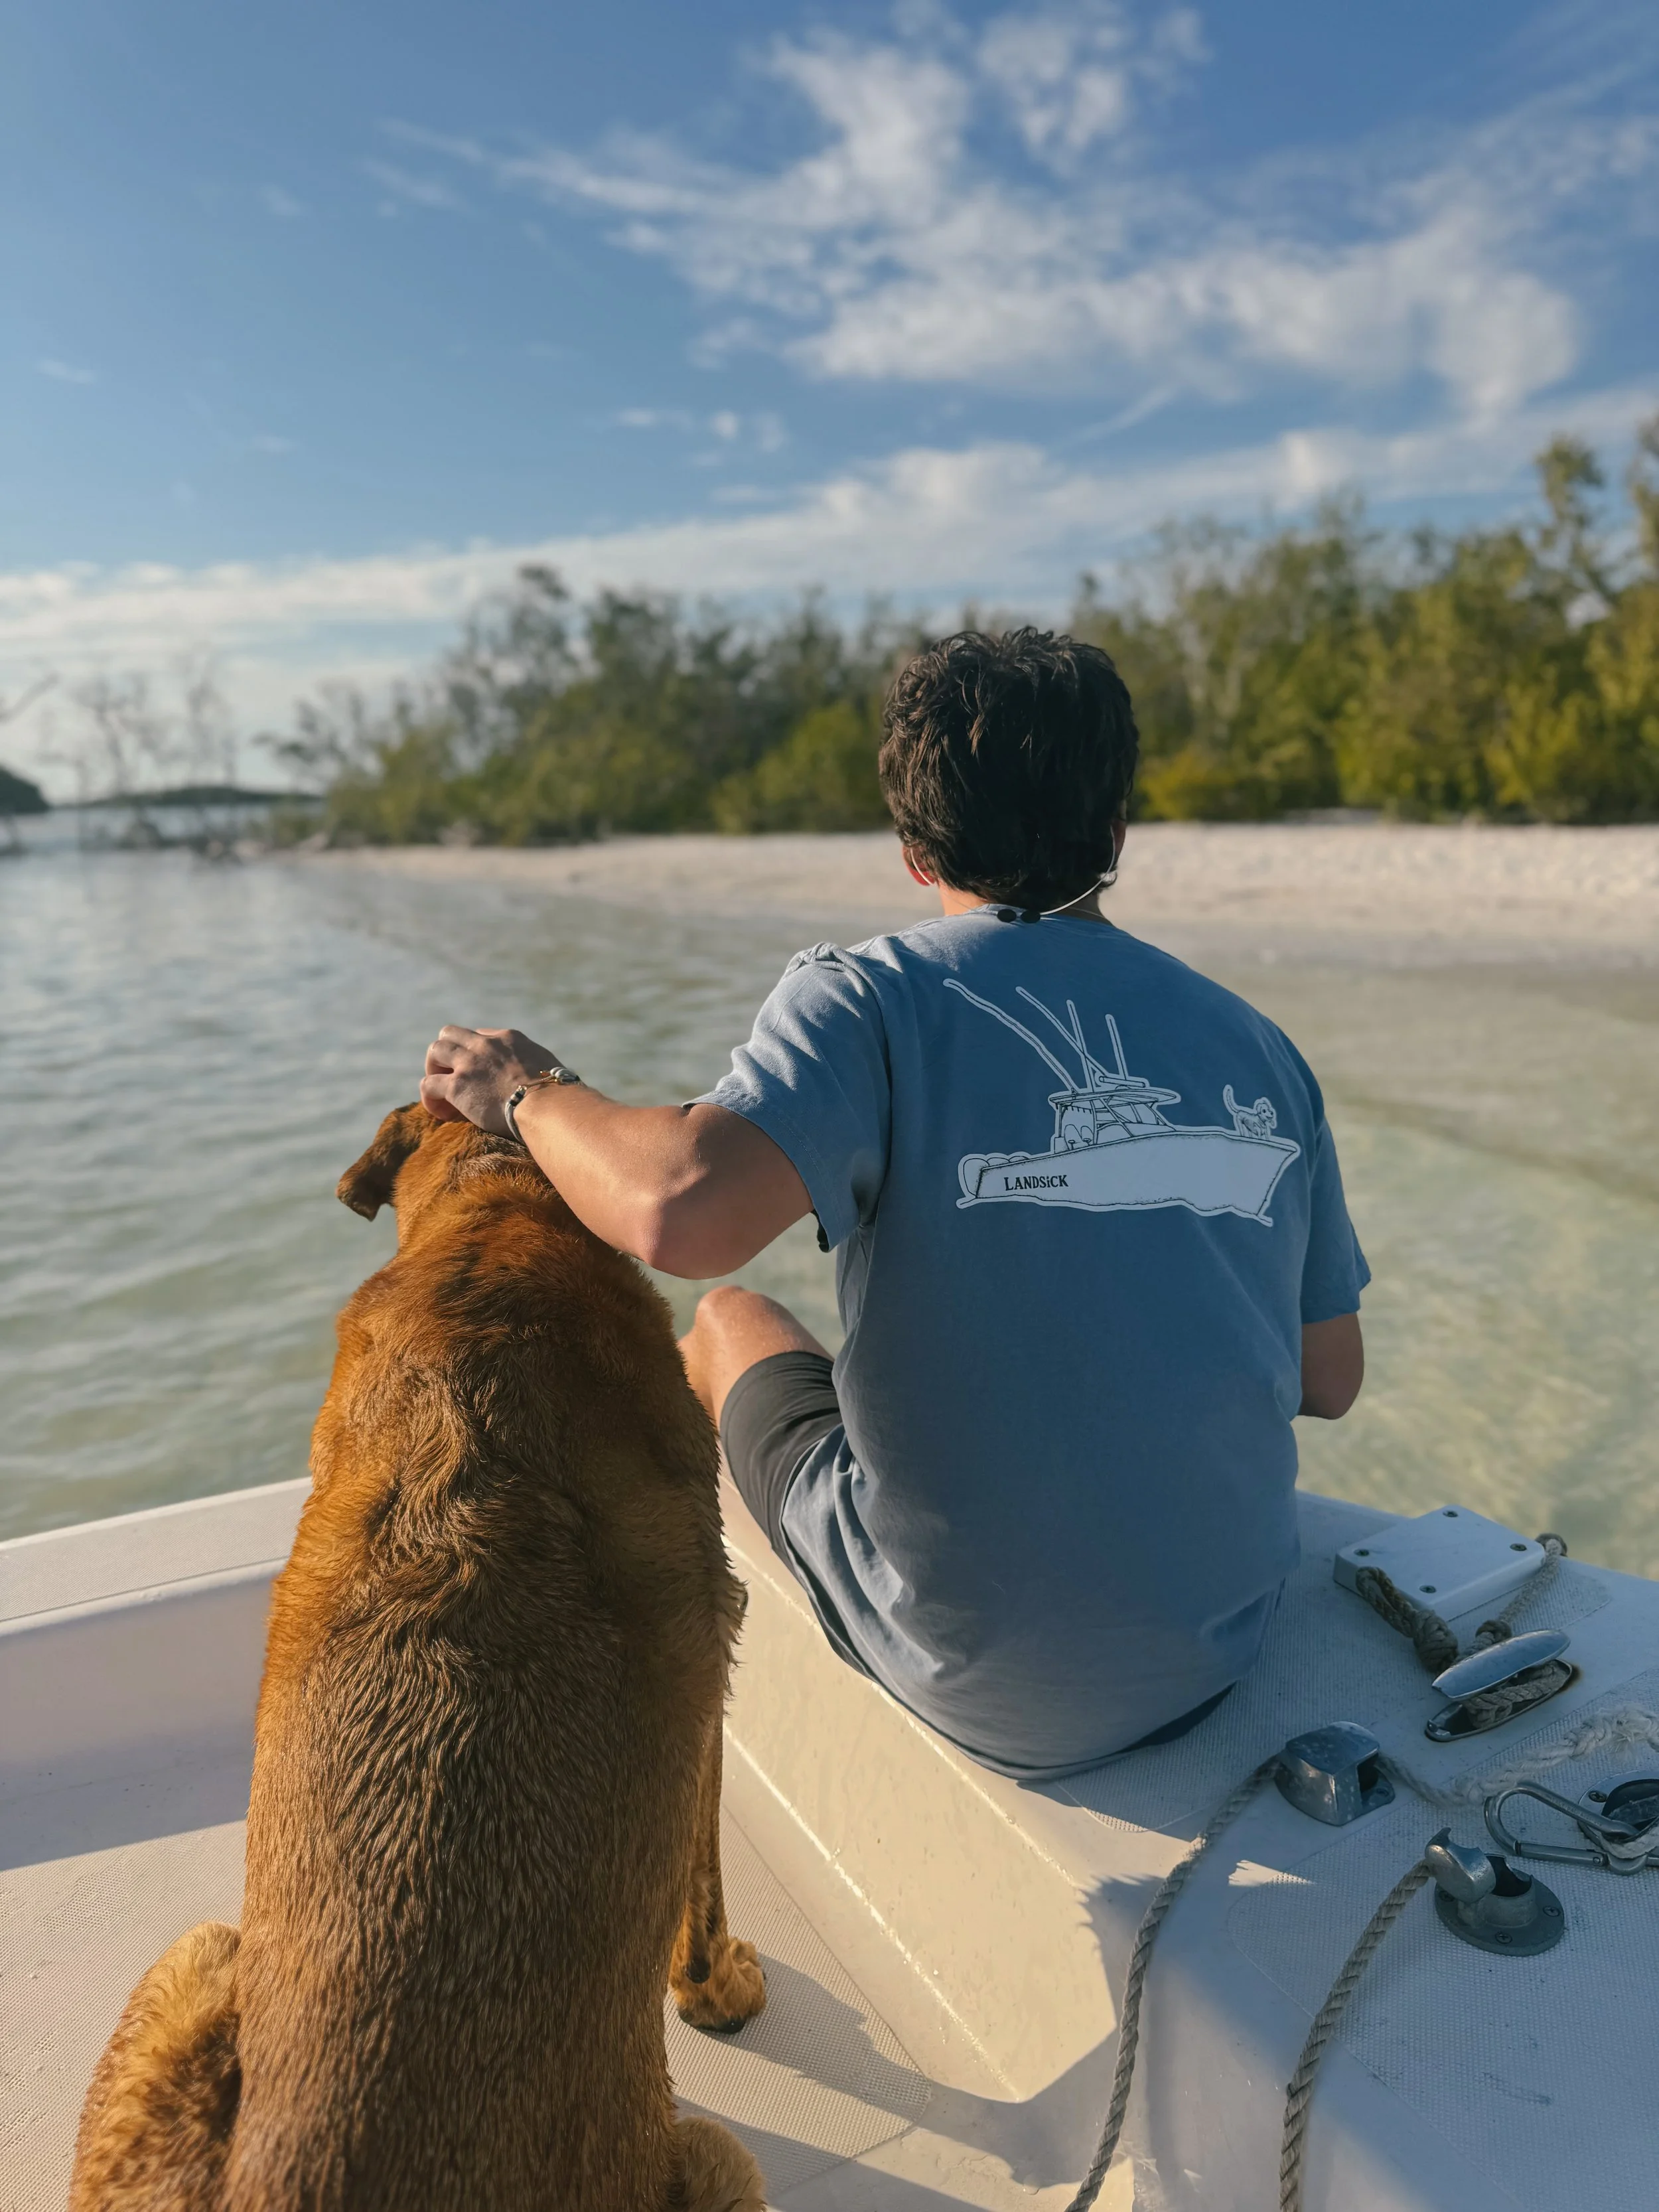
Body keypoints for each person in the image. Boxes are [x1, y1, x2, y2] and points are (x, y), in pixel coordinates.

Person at [421, 628, 1367, 1782]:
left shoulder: (868, 997)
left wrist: (525, 1089)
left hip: (978, 1674)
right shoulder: (1260, 1047)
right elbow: (1330, 1381)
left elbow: (679, 1211)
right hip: (1222, 1647)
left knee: (728, 1319)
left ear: (915, 852)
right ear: (1118, 829)